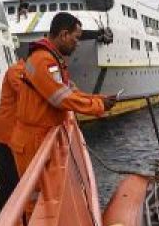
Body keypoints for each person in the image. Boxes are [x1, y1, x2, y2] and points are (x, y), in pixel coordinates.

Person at [9, 12, 117, 175]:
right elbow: (61, 99)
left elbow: (69, 92)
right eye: (76, 38)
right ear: (64, 35)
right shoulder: (44, 61)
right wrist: (98, 105)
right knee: (37, 196)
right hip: (33, 143)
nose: (77, 44)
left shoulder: (49, 59)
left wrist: (100, 99)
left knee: (46, 193)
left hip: (39, 138)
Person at [0, 58, 25, 209]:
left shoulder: (29, 70)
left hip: (13, 136)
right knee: (9, 181)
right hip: (5, 137)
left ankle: (12, 219)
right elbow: (27, 93)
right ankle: (7, 222)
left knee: (13, 180)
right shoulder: (16, 71)